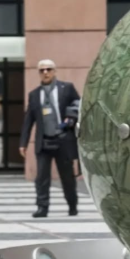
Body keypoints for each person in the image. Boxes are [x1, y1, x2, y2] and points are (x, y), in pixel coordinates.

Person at [19, 60, 80, 218]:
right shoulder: (34, 94)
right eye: (42, 70)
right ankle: (42, 208)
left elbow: (78, 105)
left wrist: (70, 118)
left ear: (54, 71)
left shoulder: (67, 88)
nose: (45, 72)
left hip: (63, 140)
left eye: (49, 69)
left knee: (67, 177)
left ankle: (72, 205)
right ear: (39, 73)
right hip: (44, 142)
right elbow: (28, 120)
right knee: (41, 178)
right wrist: (23, 143)